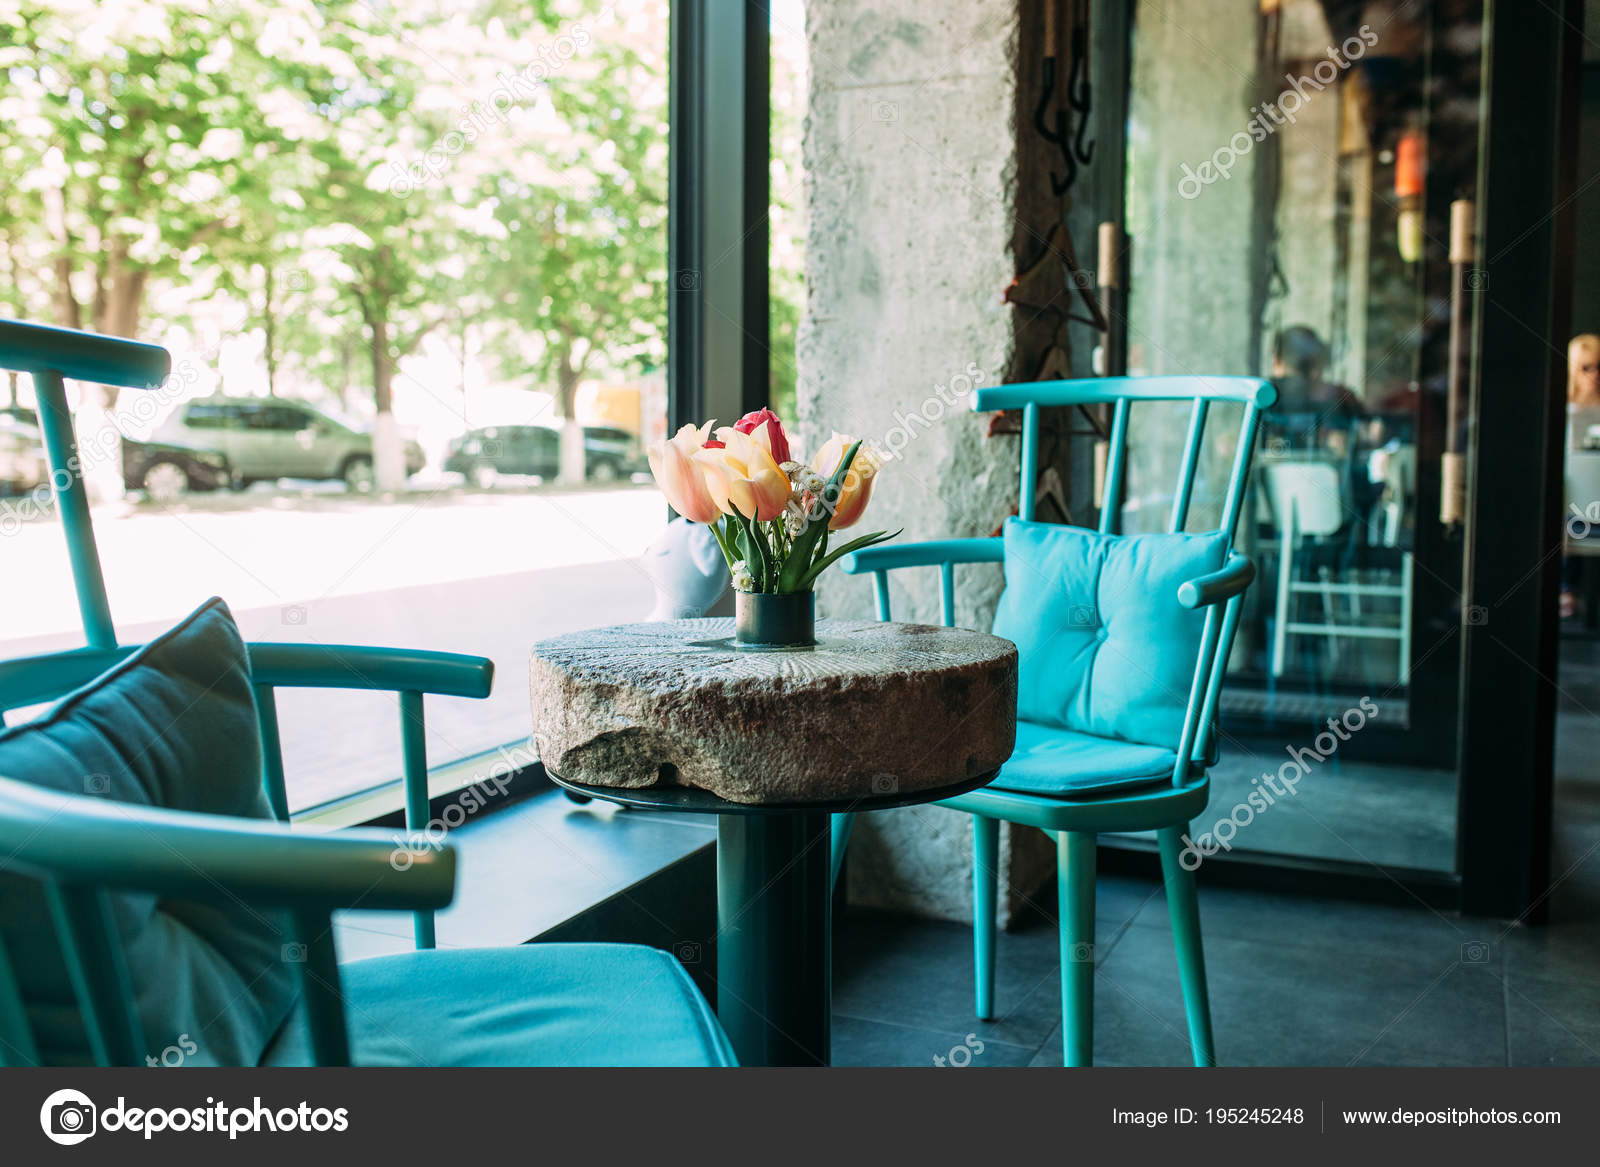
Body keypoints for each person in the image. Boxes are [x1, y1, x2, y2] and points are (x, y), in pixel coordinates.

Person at [1561, 334, 1600, 619]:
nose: (1595, 374)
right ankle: (1567, 591)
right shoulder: (1562, 413)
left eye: (1599, 366)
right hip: (1573, 507)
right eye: (1587, 367)